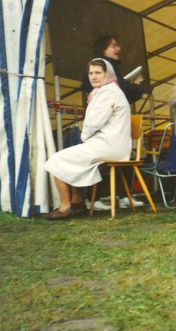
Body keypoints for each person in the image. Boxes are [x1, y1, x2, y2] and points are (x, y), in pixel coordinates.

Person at [44, 59, 131, 220]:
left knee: (57, 159)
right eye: (91, 73)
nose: (93, 76)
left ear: (108, 74)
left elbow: (94, 122)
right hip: (113, 144)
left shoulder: (108, 92)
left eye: (98, 72)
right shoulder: (106, 91)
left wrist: (84, 137)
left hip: (110, 145)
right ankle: (76, 201)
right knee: (70, 158)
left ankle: (65, 207)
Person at [81, 35, 144, 211]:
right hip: (107, 126)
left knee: (117, 156)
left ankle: (120, 196)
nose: (118, 49)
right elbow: (122, 92)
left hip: (108, 125)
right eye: (113, 45)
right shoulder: (105, 69)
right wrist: (136, 87)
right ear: (103, 49)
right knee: (106, 157)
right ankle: (101, 197)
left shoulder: (106, 68)